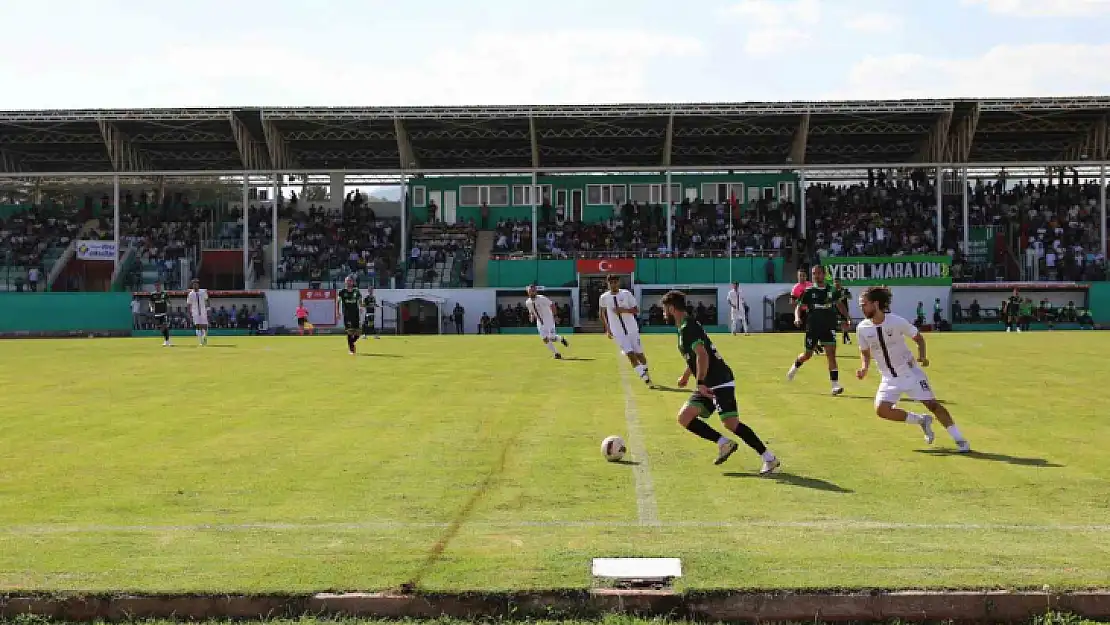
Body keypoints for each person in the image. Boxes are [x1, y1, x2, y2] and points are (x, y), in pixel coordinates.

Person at [661, 290, 779, 473]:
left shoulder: (688, 327)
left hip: (718, 380)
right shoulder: (685, 327)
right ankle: (724, 443)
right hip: (708, 382)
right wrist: (686, 375)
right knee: (684, 417)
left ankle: (769, 458)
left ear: (671, 308)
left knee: (731, 423)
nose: (663, 313)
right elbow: (695, 357)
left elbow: (702, 355)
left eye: (664, 309)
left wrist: (699, 381)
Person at [855, 286, 970, 453]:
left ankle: (959, 439)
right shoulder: (862, 328)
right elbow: (864, 351)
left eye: (864, 304)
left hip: (909, 373)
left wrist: (922, 356)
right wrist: (864, 367)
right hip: (888, 377)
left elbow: (918, 338)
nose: (861, 308)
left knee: (933, 405)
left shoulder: (896, 321)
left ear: (876, 304)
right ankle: (921, 421)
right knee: (882, 410)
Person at [787, 265, 847, 395]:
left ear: (824, 274)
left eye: (819, 273)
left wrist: (847, 318)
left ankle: (835, 385)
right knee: (807, 355)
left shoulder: (832, 290)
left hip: (828, 327)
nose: (817, 275)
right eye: (814, 273)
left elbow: (839, 304)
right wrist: (797, 318)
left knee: (831, 355)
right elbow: (798, 306)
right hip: (813, 327)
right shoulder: (809, 291)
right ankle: (795, 367)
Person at [599, 274, 652, 386]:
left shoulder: (626, 294)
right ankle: (645, 378)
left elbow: (636, 310)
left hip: (632, 329)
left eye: (615, 282)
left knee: (639, 355)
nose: (613, 284)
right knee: (630, 355)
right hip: (618, 332)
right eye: (611, 282)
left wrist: (623, 310)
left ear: (619, 282)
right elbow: (602, 313)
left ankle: (645, 370)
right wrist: (607, 329)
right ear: (607, 283)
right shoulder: (604, 297)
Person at [525, 284, 569, 359]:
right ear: (528, 292)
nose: (532, 292)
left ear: (536, 291)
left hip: (549, 320)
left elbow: (552, 305)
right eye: (530, 291)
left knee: (552, 338)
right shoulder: (528, 302)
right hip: (539, 322)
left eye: (534, 290)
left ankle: (561, 339)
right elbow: (531, 311)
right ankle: (556, 353)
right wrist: (531, 316)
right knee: (545, 339)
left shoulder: (542, 298)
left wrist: (555, 316)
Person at [335, 275, 363, 355]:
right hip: (347, 314)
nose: (348, 282)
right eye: (347, 281)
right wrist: (337, 312)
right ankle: (351, 349)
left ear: (353, 282)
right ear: (345, 282)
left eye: (350, 281)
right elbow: (338, 302)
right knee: (350, 332)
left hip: (356, 314)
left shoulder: (356, 291)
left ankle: (352, 343)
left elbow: (360, 300)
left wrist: (361, 306)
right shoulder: (342, 292)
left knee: (358, 333)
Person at [185, 279, 210, 346]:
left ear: (198, 285)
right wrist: (189, 313)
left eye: (196, 284)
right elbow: (188, 304)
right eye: (194, 284)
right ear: (192, 285)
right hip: (195, 312)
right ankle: (200, 341)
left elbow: (207, 300)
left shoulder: (203, 292)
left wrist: (208, 309)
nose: (195, 285)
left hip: (203, 311)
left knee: (205, 326)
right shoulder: (190, 294)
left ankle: (204, 337)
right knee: (198, 326)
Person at [149, 281, 172, 347]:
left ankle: (167, 341)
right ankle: (166, 339)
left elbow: (169, 301)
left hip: (164, 312)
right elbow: (150, 302)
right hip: (157, 313)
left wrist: (169, 305)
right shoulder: (152, 294)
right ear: (155, 286)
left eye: (158, 285)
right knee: (161, 328)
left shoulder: (164, 293)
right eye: (156, 285)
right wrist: (151, 308)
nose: (157, 287)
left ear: (160, 286)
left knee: (165, 326)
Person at [833, 278, 851, 344]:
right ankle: (833, 338)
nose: (837, 283)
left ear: (840, 282)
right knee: (835, 323)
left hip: (844, 309)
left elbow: (850, 297)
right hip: (835, 309)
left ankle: (846, 338)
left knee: (844, 324)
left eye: (838, 282)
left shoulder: (844, 290)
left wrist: (845, 296)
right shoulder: (833, 291)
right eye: (835, 282)